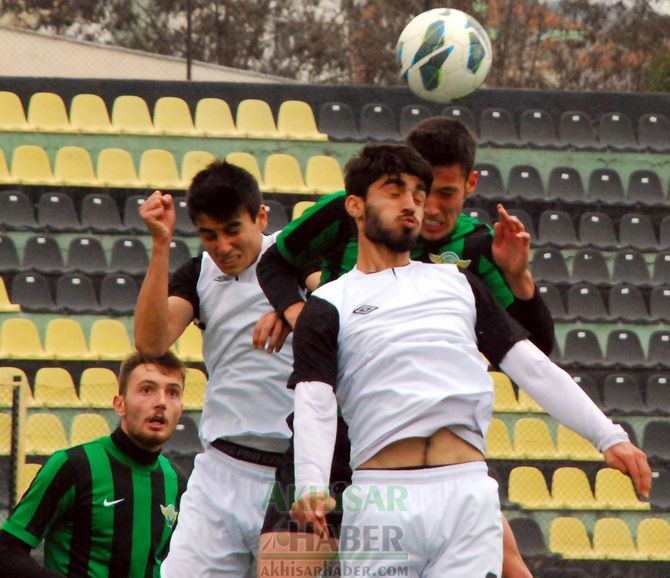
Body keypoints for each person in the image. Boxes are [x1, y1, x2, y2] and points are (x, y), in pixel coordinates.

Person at [289, 143, 651, 577]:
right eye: (395, 192)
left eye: (419, 196)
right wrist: (310, 484)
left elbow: (531, 366)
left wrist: (608, 436)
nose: (412, 205)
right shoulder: (329, 303)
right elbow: (315, 401)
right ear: (355, 205)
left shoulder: (459, 283)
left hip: (466, 497)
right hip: (382, 501)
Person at [257, 117, 551, 578]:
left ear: (470, 185)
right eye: (412, 191)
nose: (426, 207)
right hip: (335, 433)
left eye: (440, 193)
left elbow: (533, 353)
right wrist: (296, 311)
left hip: (429, 450)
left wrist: (520, 279)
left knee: (510, 560)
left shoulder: (477, 248)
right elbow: (276, 261)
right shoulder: (347, 213)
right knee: (281, 566)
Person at [134, 160, 295, 577]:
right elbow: (152, 342)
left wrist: (296, 312)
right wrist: (160, 245)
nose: (222, 246)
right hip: (220, 471)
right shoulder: (200, 273)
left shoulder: (299, 261)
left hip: (293, 477)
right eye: (209, 235)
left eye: (232, 230)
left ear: (261, 217)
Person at [0, 350, 186, 577]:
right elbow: (7, 552)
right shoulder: (72, 466)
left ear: (181, 410)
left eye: (173, 393)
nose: (161, 402)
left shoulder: (178, 482)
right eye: (147, 390)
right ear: (120, 404)